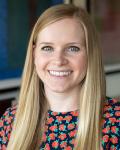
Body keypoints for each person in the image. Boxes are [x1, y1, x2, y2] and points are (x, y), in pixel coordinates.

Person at [0, 4, 120, 150]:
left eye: (72, 48)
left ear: (90, 55)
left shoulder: (115, 121)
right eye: (47, 48)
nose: (58, 60)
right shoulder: (11, 120)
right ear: (34, 54)